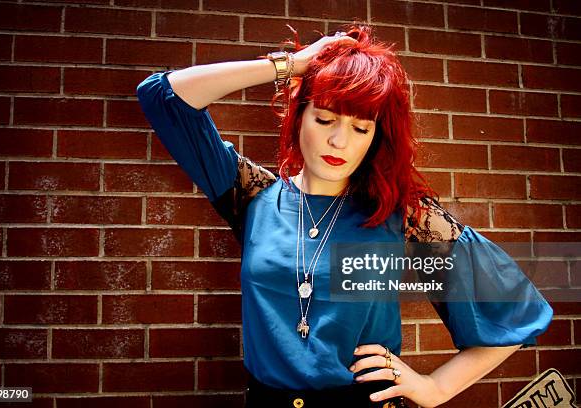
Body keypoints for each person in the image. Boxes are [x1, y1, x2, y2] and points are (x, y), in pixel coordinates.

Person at [136, 24, 553, 408]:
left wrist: (435, 388)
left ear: (375, 139)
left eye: (361, 128)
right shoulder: (253, 198)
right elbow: (164, 96)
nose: (339, 140)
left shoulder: (399, 216)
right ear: (299, 117)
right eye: (325, 118)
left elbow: (515, 310)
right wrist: (295, 64)